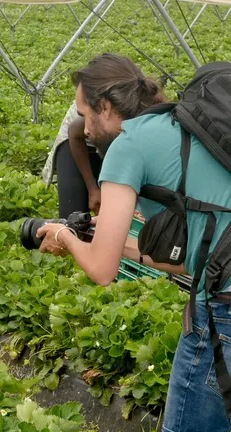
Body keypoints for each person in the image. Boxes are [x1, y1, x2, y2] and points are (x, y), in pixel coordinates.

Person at [37, 53, 231, 431]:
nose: (84, 128)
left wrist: (64, 236)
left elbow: (103, 270)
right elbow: (187, 258)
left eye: (84, 113)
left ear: (105, 107)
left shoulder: (129, 144)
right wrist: (101, 236)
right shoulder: (176, 127)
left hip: (221, 314)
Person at [41, 102, 104, 217]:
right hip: (76, 139)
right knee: (74, 217)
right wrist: (93, 189)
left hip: (110, 140)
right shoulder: (107, 109)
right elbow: (74, 132)